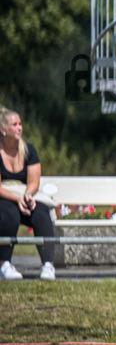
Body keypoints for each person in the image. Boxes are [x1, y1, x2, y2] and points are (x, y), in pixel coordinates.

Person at [0, 108, 56, 281]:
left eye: (20, 124)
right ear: (3, 129)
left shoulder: (28, 150)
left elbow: (33, 181)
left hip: (23, 196)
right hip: (4, 197)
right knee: (9, 214)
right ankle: (4, 264)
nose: (19, 128)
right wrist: (16, 199)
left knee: (41, 212)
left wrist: (28, 195)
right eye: (14, 124)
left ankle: (48, 265)